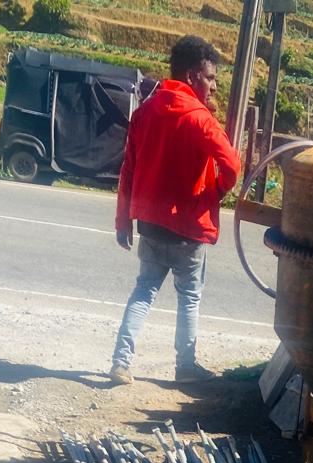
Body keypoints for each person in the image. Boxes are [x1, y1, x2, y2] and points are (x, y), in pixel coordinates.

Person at [110, 35, 241, 386]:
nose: (214, 86)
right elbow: (232, 165)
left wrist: (123, 221)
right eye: (210, 78)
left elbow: (128, 171)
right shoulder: (201, 120)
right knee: (189, 298)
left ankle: (120, 362)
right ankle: (185, 367)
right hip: (189, 229)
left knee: (144, 291)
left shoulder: (145, 112)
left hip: (151, 225)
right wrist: (215, 191)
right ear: (191, 76)